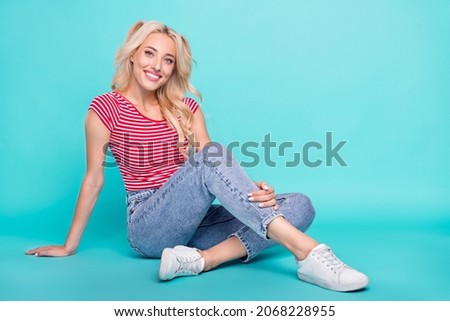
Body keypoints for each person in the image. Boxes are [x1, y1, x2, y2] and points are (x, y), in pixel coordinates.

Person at [26, 20, 369, 292]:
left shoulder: (186, 108)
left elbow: (215, 174)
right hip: (149, 225)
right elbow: (94, 178)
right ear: (133, 55)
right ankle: (309, 253)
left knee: (299, 204)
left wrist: (256, 194)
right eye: (149, 53)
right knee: (211, 155)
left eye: (168, 59)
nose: (157, 65)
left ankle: (200, 261)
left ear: (174, 68)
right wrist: (69, 246)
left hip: (196, 222)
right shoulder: (106, 108)